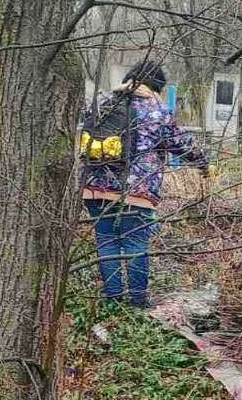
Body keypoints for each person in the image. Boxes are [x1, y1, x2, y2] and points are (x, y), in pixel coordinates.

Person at [81, 60, 209, 308]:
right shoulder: (156, 111)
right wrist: (202, 163)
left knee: (107, 241)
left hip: (95, 186)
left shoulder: (102, 104)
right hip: (136, 191)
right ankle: (138, 303)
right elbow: (182, 145)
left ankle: (113, 301)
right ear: (156, 86)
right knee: (135, 244)